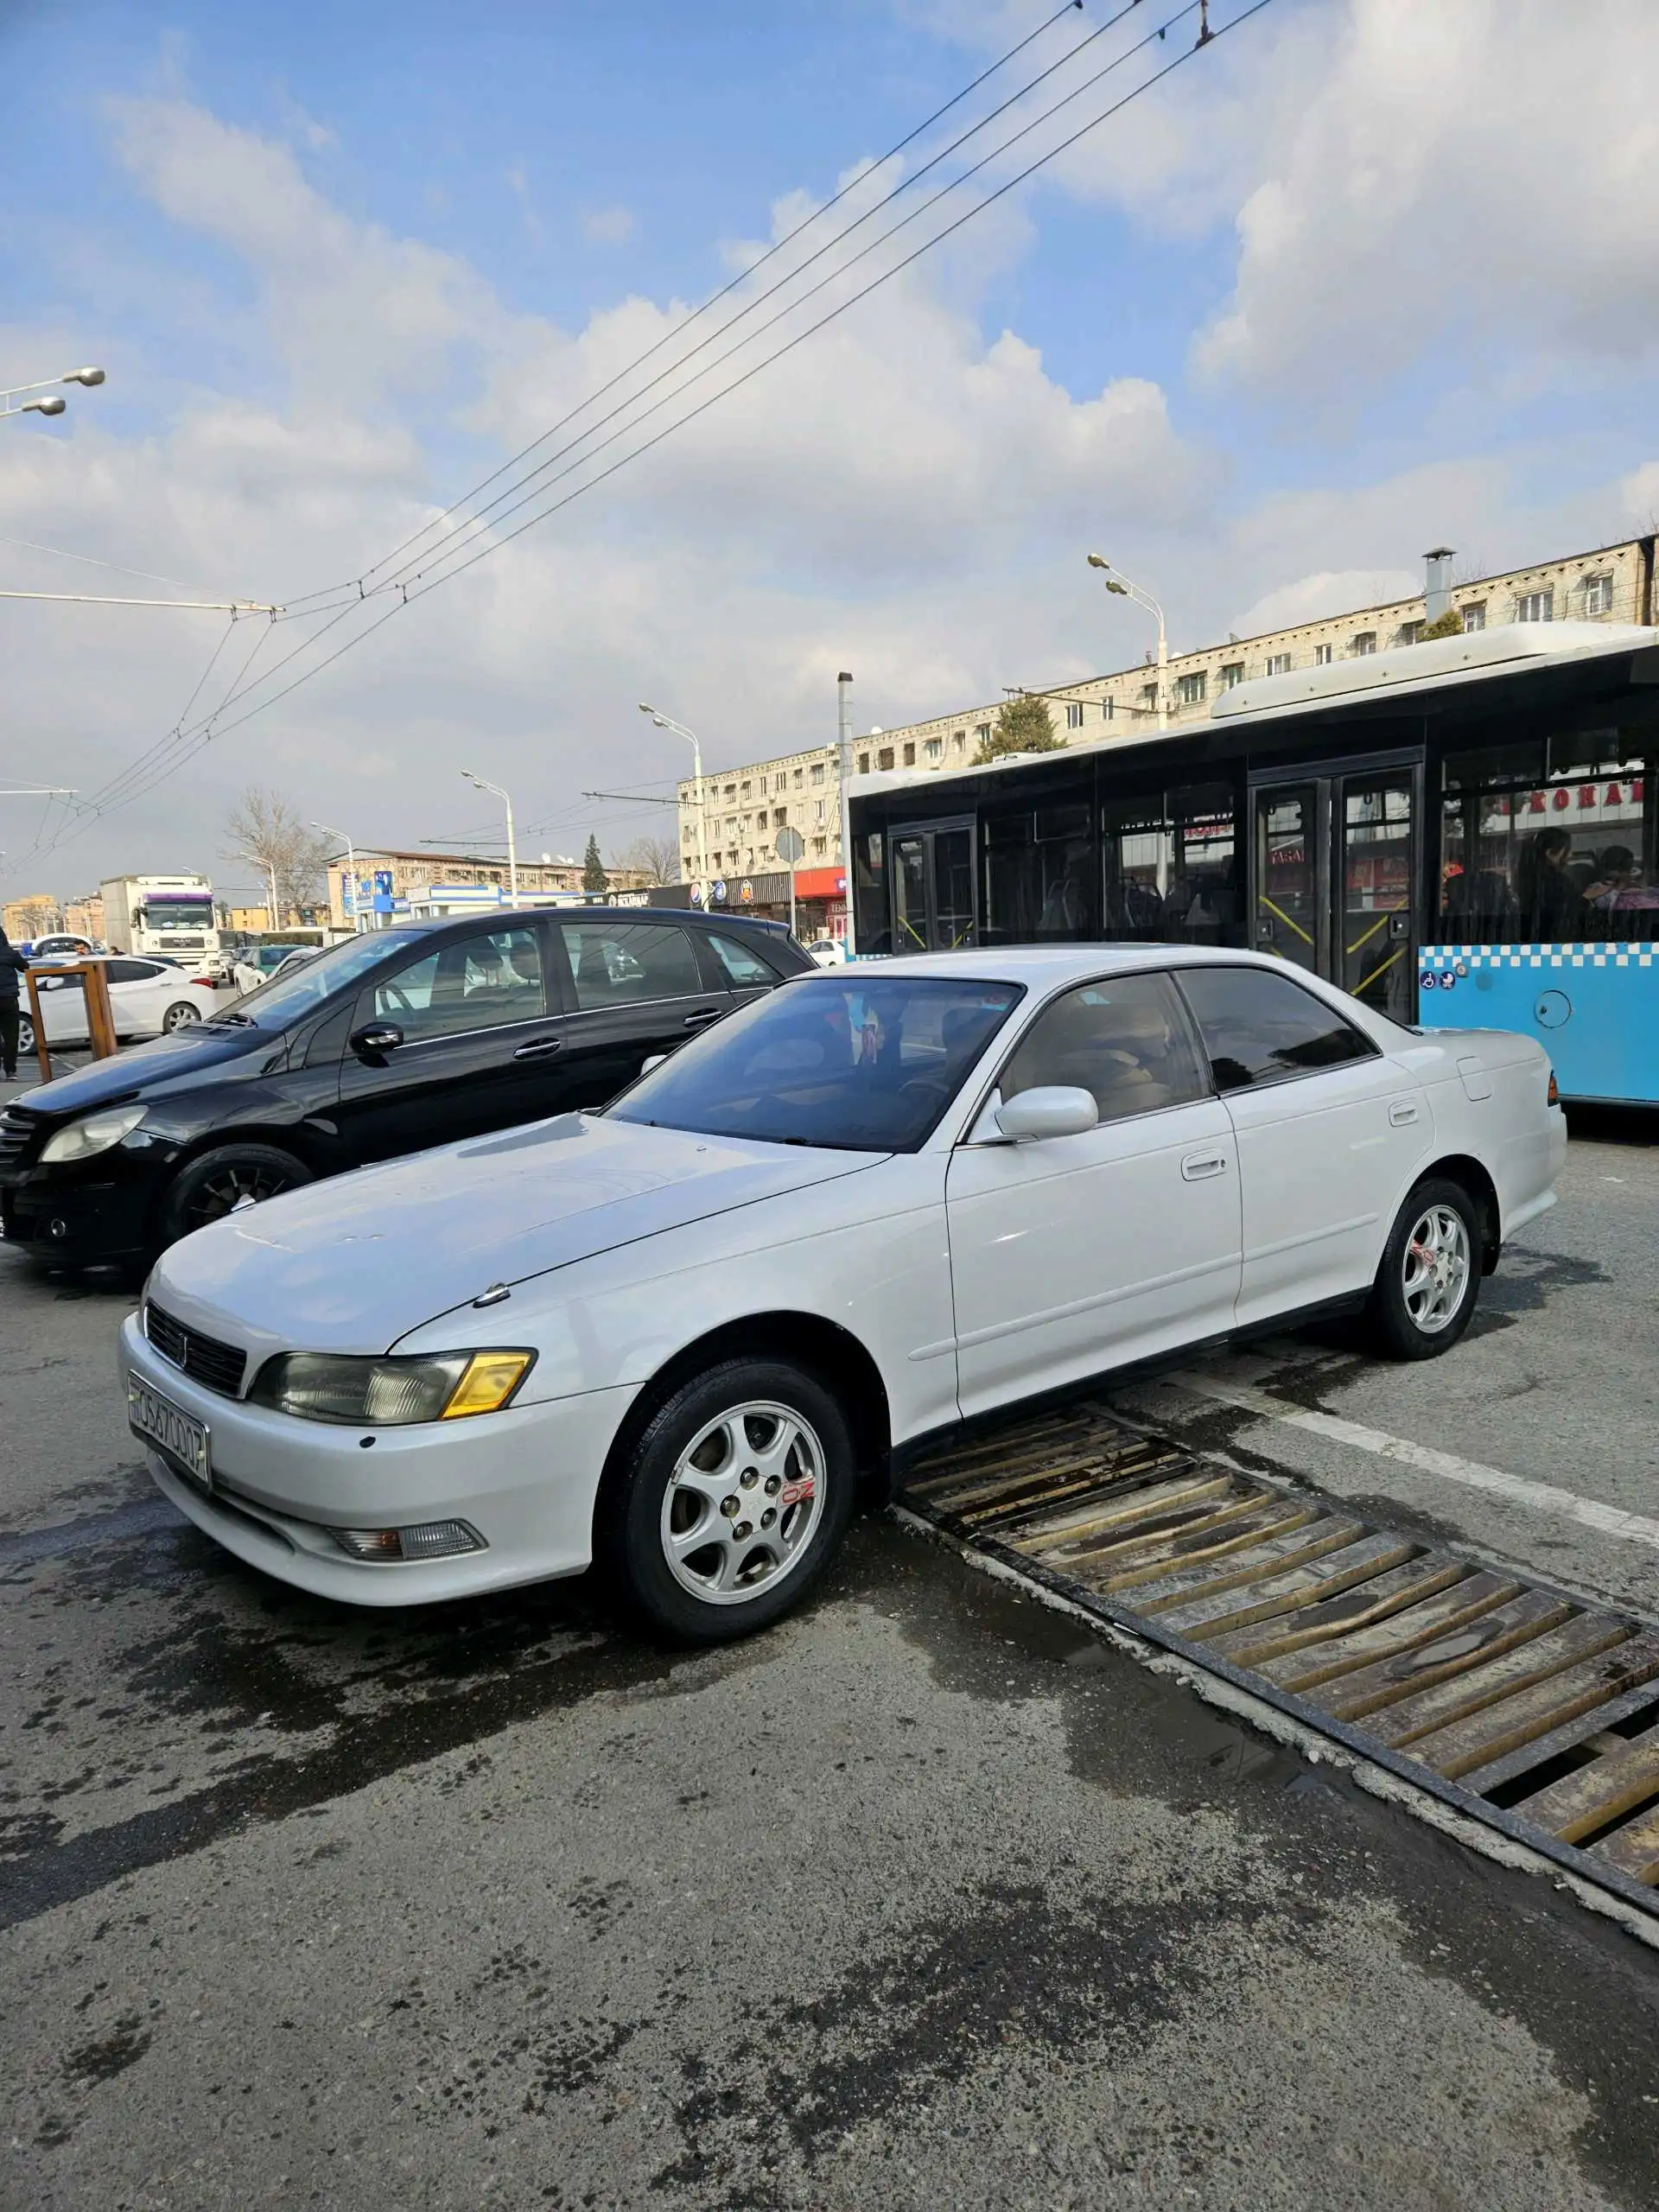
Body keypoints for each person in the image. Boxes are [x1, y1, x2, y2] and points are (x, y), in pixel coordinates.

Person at [1515, 826, 1582, 939]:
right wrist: (1585, 898)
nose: (1570, 855)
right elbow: (1563, 914)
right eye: (1566, 850)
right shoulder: (1557, 882)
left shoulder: (1523, 878)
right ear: (1550, 853)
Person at [0, 928, 29, 1079]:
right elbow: (25, 966)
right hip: (8, 999)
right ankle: (10, 1071)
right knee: (11, 1036)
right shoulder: (9, 953)